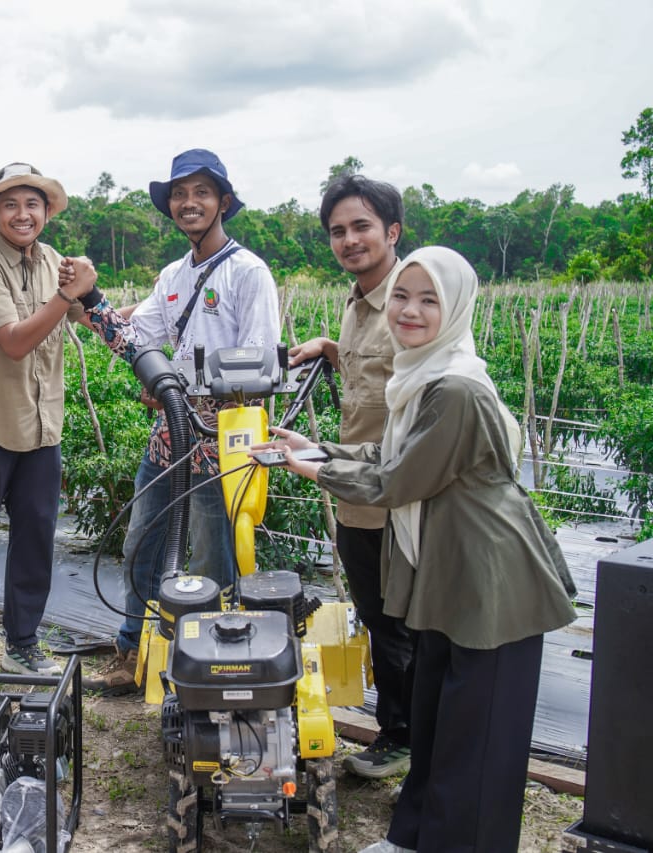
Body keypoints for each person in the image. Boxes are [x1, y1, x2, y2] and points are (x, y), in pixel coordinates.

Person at [256, 246, 576, 853]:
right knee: (435, 722)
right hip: (448, 570)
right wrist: (318, 449)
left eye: (430, 299)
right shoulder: (422, 375)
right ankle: (415, 838)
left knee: (475, 738)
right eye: (402, 295)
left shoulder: (454, 388)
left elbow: (398, 482)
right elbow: (390, 456)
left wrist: (315, 472)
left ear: (455, 307)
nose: (410, 310)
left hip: (492, 581)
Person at [81, 149, 280, 695]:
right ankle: (132, 648)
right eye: (179, 195)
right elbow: (138, 334)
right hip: (172, 430)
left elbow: (261, 363)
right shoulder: (172, 275)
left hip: (228, 434)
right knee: (143, 539)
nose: (188, 203)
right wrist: (90, 303)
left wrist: (185, 390)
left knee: (214, 550)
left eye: (200, 193)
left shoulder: (248, 272)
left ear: (223, 203)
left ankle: (214, 661)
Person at [0, 162, 116, 678]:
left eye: (32, 204)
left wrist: (126, 302)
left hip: (42, 427)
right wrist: (69, 294)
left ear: (46, 212)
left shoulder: (54, 262)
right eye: (11, 204)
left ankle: (22, 643)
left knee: (36, 535)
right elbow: (15, 342)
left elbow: (94, 318)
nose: (23, 213)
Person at [287, 174, 416, 778]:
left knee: (401, 624)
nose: (349, 240)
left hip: (398, 495)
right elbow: (373, 371)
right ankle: (402, 732)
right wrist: (329, 348)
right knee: (378, 614)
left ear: (392, 231)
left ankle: (406, 739)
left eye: (361, 226)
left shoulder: (409, 300)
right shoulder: (359, 299)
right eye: (338, 231)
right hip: (356, 491)